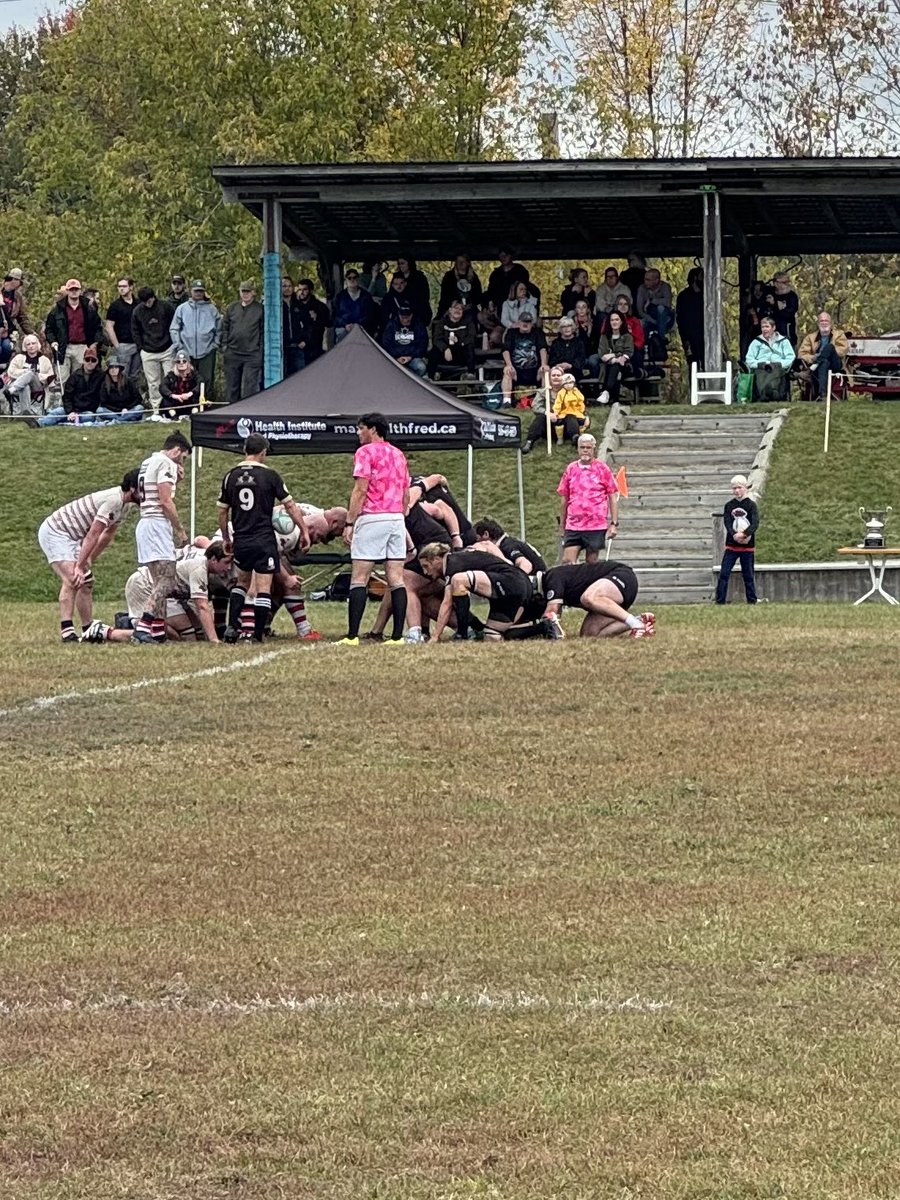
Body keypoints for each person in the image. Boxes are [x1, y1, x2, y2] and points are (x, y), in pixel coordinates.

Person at [218, 433, 311, 643]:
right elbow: (290, 506)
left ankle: (232, 628)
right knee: (263, 587)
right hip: (263, 538)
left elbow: (222, 512)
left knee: (241, 583)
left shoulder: (230, 476)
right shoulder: (270, 476)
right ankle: (257, 634)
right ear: (263, 452)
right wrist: (303, 530)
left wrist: (226, 537)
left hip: (241, 538)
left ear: (244, 450)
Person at [37, 469, 140, 641]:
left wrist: (89, 558)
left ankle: (88, 629)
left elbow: (107, 534)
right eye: (142, 488)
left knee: (86, 581)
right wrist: (78, 565)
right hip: (56, 532)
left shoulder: (125, 505)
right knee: (73, 579)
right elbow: (93, 534)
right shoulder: (114, 500)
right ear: (131, 488)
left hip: (72, 536)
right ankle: (67, 632)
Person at [339, 412, 410, 646]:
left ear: (373, 429)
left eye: (361, 428)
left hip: (373, 516)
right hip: (396, 518)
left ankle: (352, 635)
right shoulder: (398, 454)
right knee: (396, 578)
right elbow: (405, 490)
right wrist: (402, 512)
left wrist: (350, 522)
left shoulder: (365, 453)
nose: (358, 433)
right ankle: (398, 636)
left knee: (359, 577)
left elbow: (360, 489)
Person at [85, 544, 233, 644]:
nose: (229, 567)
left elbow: (199, 539)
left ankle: (135, 622)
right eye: (226, 562)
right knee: (180, 635)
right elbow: (202, 606)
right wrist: (215, 641)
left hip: (163, 593)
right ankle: (108, 631)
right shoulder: (199, 567)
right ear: (213, 559)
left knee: (196, 634)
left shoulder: (205, 561)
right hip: (144, 584)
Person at [133, 431, 193, 643]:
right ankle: (144, 624)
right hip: (157, 523)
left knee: (158, 581)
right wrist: (180, 530)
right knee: (167, 580)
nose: (182, 462)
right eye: (183, 457)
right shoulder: (165, 463)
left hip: (144, 522)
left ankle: (158, 632)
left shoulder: (148, 462)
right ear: (176, 450)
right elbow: (166, 501)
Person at [418, 542, 533, 642]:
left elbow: (447, 603)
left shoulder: (452, 563)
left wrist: (435, 636)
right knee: (491, 636)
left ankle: (462, 635)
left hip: (511, 582)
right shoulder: (459, 557)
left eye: (426, 566)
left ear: (437, 559)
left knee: (458, 580)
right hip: (521, 586)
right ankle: (542, 627)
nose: (425, 572)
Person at [541, 561, 655, 638]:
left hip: (622, 575)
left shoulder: (552, 576)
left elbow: (552, 611)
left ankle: (636, 625)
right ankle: (640, 621)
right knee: (588, 635)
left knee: (589, 598)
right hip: (611, 597)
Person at [557, 433, 619, 563]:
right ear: (578, 449)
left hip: (595, 525)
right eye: (582, 447)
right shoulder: (571, 468)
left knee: (591, 563)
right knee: (567, 561)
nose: (585, 450)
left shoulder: (602, 468)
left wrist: (613, 523)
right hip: (573, 524)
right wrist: (562, 524)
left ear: (593, 449)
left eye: (588, 447)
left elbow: (612, 496)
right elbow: (564, 497)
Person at [169, 281, 222, 402]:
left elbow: (219, 329)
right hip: (186, 352)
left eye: (201, 291)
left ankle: (205, 406)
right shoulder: (182, 309)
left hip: (207, 351)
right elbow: (174, 328)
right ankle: (187, 406)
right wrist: (179, 346)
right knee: (186, 378)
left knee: (206, 379)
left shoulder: (212, 309)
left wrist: (215, 344)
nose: (198, 293)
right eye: (196, 291)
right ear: (190, 291)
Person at [44, 279, 102, 386]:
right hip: (63, 348)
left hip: (82, 347)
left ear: (80, 290)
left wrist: (95, 343)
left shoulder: (89, 308)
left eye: (76, 289)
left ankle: (79, 402)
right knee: (63, 379)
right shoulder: (57, 310)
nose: (74, 291)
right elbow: (49, 329)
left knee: (80, 379)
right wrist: (53, 342)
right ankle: (64, 401)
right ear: (67, 291)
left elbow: (98, 327)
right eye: (71, 289)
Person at [715, 474, 759, 605]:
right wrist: (734, 534)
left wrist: (745, 534)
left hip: (747, 547)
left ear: (745, 488)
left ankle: (752, 601)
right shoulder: (729, 506)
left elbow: (755, 523)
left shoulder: (751, 505)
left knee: (748, 575)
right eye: (734, 488)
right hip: (731, 547)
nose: (736, 491)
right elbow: (728, 522)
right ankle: (720, 601)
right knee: (724, 574)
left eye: (739, 487)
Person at [132, 287, 175, 413]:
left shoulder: (166, 307)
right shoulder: (137, 311)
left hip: (167, 349)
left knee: (170, 380)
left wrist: (172, 343)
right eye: (143, 301)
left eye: (148, 300)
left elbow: (174, 325)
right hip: (148, 351)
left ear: (153, 297)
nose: (146, 303)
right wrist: (141, 347)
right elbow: (135, 331)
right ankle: (157, 409)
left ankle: (171, 407)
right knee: (153, 383)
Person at [37, 347, 104, 426]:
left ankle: (65, 422)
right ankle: (38, 423)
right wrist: (70, 411)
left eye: (93, 360)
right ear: (83, 361)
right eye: (87, 359)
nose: (90, 362)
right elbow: (67, 397)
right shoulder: (75, 376)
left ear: (97, 362)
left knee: (89, 417)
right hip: (72, 408)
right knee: (57, 412)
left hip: (88, 411)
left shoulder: (101, 376)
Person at [222, 281, 264, 403]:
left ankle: (248, 412)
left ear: (253, 293)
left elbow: (262, 331)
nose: (245, 294)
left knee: (249, 387)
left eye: (248, 291)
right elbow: (225, 327)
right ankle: (230, 413)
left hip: (252, 354)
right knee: (231, 387)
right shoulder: (232, 308)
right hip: (233, 353)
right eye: (243, 291)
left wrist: (259, 351)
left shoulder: (260, 309)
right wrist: (225, 346)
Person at [798, 311, 849, 400]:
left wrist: (827, 352)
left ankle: (809, 371)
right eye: (822, 321)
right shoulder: (810, 337)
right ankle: (823, 395)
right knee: (824, 362)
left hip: (835, 364)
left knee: (830, 347)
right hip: (819, 367)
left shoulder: (839, 334)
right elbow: (801, 354)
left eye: (826, 321)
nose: (824, 323)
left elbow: (843, 350)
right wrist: (813, 357)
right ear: (818, 323)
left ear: (831, 323)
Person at [501, 310, 548, 405]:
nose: (526, 324)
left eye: (528, 322)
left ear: (532, 324)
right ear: (519, 322)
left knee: (545, 371)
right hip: (516, 371)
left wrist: (543, 364)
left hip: (535, 371)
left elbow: (543, 348)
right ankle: (506, 402)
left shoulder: (538, 333)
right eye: (523, 322)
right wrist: (509, 365)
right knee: (507, 372)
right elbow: (505, 349)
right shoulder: (511, 333)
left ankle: (544, 401)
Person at [3, 333, 55, 416]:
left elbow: (50, 376)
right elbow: (11, 371)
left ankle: (11, 390)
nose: (31, 346)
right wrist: (24, 372)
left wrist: (37, 375)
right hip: (19, 385)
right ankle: (26, 414)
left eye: (33, 343)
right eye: (28, 344)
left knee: (31, 373)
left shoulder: (45, 360)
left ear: (37, 344)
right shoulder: (18, 358)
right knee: (25, 385)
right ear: (25, 347)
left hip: (37, 386)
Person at [472, 518, 547, 575]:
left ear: (486, 534)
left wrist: (515, 579)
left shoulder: (507, 545)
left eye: (477, 538)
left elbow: (526, 565)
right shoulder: (509, 541)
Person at [745, 315, 794, 401]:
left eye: (767, 326)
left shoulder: (783, 341)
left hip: (778, 367)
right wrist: (759, 364)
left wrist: (779, 364)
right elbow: (749, 359)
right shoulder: (756, 342)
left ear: (773, 327)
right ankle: (765, 394)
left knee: (775, 372)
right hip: (761, 367)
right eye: (762, 327)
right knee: (762, 373)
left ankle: (772, 393)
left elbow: (791, 357)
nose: (764, 329)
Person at [428, 299, 476, 379]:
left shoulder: (468, 321)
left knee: (469, 347)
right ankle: (431, 376)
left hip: (461, 354)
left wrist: (460, 341)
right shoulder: (441, 323)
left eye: (460, 309)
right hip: (446, 354)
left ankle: (471, 374)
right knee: (434, 351)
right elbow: (436, 339)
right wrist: (445, 348)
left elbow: (472, 337)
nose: (458, 311)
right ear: (450, 310)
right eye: (455, 308)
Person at [521, 364, 564, 455]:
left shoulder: (569, 391)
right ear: (550, 378)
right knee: (540, 418)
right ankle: (529, 442)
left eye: (558, 375)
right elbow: (535, 406)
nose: (556, 377)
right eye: (553, 375)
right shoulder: (543, 391)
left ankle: (576, 441)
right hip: (548, 425)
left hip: (563, 423)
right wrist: (547, 413)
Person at [104, 277, 141, 380]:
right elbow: (109, 326)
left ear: (131, 287)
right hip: (123, 345)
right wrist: (117, 345)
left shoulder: (138, 304)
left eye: (124, 286)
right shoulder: (115, 306)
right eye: (119, 286)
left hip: (138, 345)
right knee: (122, 375)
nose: (121, 289)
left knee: (135, 376)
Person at [595, 310, 634, 404]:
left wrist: (612, 355)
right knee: (615, 369)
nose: (614, 322)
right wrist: (616, 358)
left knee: (617, 367)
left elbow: (628, 353)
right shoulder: (604, 337)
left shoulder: (627, 336)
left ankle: (606, 392)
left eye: (617, 319)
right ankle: (615, 401)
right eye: (612, 320)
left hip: (625, 366)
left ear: (621, 322)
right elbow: (602, 355)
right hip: (608, 365)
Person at [635, 267, 674, 359]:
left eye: (648, 280)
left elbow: (668, 303)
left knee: (661, 308)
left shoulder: (665, 287)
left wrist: (652, 300)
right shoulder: (642, 288)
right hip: (648, 317)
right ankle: (640, 351)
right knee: (640, 323)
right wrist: (652, 321)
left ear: (656, 280)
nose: (645, 281)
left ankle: (662, 338)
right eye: (645, 279)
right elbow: (640, 310)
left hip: (665, 318)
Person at [333, 268, 379, 342]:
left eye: (355, 277)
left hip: (362, 328)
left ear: (358, 279)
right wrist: (345, 325)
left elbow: (370, 316)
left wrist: (357, 325)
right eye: (349, 278)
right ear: (346, 280)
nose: (352, 280)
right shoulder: (340, 296)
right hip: (345, 328)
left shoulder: (366, 296)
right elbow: (335, 316)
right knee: (341, 334)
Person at [381, 305, 428, 376]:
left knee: (421, 367)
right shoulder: (391, 325)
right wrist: (397, 356)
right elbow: (386, 344)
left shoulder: (419, 325)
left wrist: (410, 357)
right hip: (394, 357)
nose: (405, 320)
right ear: (399, 315)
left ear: (412, 315)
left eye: (407, 317)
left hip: (412, 358)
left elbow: (422, 345)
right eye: (403, 317)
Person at [96, 356, 145, 422]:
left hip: (128, 410)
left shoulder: (128, 381)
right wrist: (119, 411)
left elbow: (138, 399)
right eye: (111, 368)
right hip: (113, 412)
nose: (114, 370)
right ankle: (125, 420)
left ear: (119, 369)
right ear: (108, 370)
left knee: (140, 408)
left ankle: (119, 420)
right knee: (100, 410)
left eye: (116, 367)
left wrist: (127, 409)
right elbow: (104, 403)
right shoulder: (104, 384)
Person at [676, 268, 705, 371]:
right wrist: (685, 338)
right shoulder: (683, 296)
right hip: (689, 336)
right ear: (695, 277)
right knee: (693, 364)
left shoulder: (706, 296)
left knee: (707, 362)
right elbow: (680, 319)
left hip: (704, 335)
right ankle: (694, 386)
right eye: (702, 276)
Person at [486, 247, 531, 312]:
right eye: (501, 256)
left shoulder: (520, 271)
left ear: (511, 256)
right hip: (498, 305)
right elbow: (490, 290)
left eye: (506, 255)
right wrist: (490, 303)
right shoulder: (495, 274)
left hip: (517, 305)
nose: (503, 257)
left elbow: (523, 288)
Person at [295, 279, 330, 362]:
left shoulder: (320, 307)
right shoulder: (295, 306)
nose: (302, 292)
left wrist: (315, 319)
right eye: (300, 289)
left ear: (311, 291)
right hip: (297, 346)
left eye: (305, 289)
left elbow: (325, 324)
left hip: (315, 348)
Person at [159, 350, 200, 417]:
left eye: (184, 361)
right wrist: (173, 395)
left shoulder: (194, 374)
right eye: (178, 361)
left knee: (198, 398)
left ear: (188, 363)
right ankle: (173, 416)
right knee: (166, 399)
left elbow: (201, 384)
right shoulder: (171, 375)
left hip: (189, 402)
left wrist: (190, 394)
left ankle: (194, 415)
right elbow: (162, 386)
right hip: (176, 403)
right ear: (176, 364)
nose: (181, 363)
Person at [281, 276, 308, 377]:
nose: (287, 288)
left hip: (297, 347)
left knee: (298, 378)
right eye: (284, 286)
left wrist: (305, 340)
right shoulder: (275, 305)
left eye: (289, 286)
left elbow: (307, 324)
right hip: (281, 348)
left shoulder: (299, 305)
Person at [394, 255, 432, 324]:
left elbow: (425, 296)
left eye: (402, 263)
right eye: (399, 264)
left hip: (419, 312)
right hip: (400, 312)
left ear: (409, 263)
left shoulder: (420, 277)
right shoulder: (396, 277)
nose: (400, 266)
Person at [551, 373, 588, 445]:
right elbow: (558, 403)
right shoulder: (561, 393)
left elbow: (581, 401)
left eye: (571, 383)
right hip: (565, 413)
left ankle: (578, 436)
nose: (568, 385)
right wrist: (556, 412)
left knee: (583, 420)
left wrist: (582, 410)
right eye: (566, 383)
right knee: (569, 419)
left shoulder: (576, 391)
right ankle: (562, 437)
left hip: (576, 412)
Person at [769, 271, 799, 347]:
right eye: (784, 282)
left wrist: (775, 304)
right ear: (776, 283)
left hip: (787, 333)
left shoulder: (792, 296)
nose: (788, 284)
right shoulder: (769, 293)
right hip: (770, 334)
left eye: (788, 281)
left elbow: (789, 313)